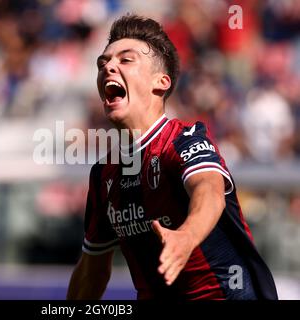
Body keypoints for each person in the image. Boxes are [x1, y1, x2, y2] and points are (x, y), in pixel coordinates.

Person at [66, 14, 278, 300]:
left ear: (161, 82)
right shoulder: (104, 173)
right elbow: (92, 270)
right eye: (103, 63)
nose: (109, 66)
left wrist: (186, 236)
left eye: (126, 60)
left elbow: (208, 189)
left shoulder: (185, 140)